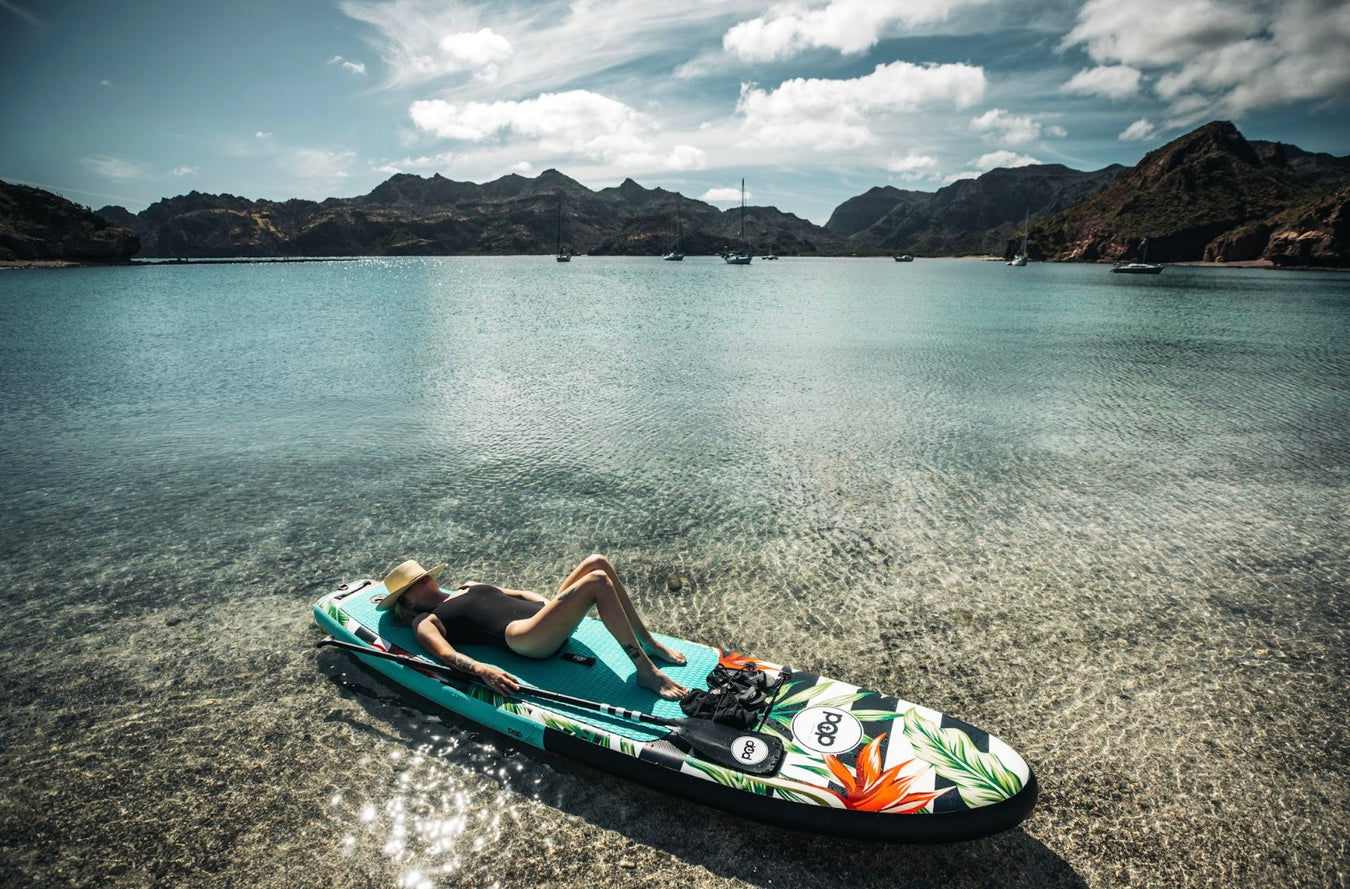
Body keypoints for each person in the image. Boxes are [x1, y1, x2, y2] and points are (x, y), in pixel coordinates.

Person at [378, 554, 689, 700]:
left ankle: (647, 641)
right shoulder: (426, 620)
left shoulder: (467, 585)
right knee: (596, 582)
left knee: (597, 563)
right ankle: (646, 672)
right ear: (407, 603)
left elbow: (517, 594)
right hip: (525, 638)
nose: (425, 580)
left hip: (540, 617)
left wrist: (547, 604)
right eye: (415, 584)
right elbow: (446, 655)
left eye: (424, 575)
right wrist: (481, 669)